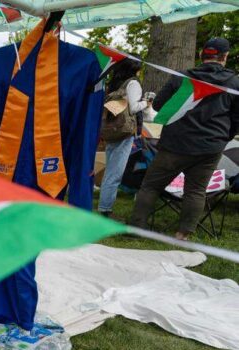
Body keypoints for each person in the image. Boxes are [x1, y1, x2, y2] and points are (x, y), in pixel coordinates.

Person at [130, 37, 239, 240]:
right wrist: (225, 136)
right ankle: (183, 235)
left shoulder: (181, 77)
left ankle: (137, 228)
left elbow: (160, 105)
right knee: (196, 190)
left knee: (151, 186)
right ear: (225, 57)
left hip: (175, 144)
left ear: (202, 55)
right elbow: (237, 118)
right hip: (210, 146)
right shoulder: (235, 83)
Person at [98, 59, 149, 217]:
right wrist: (146, 103)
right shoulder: (133, 83)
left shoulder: (114, 82)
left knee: (111, 171)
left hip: (111, 130)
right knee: (115, 173)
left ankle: (104, 206)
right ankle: (106, 209)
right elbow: (133, 107)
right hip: (124, 132)